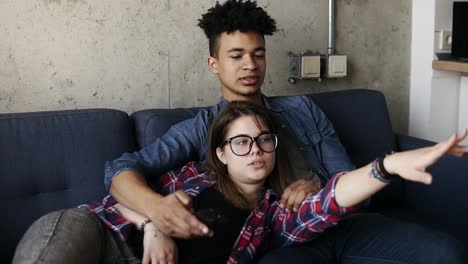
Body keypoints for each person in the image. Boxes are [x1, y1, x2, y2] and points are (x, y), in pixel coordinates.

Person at [13, 0, 467, 263]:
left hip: (318, 222)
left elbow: (348, 190)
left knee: (447, 251)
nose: (249, 64)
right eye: (235, 55)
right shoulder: (201, 135)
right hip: (122, 228)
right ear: (215, 63)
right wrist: (156, 214)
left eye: (257, 53)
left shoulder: (303, 110)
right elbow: (122, 169)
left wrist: (321, 183)